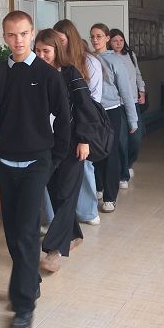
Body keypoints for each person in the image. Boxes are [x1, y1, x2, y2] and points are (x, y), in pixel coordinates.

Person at [0, 11, 70, 328]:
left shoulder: (47, 75)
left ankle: (23, 305)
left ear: (32, 34)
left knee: (28, 232)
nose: (18, 40)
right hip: (5, 165)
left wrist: (54, 160)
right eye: (11, 35)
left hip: (36, 165)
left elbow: (64, 118)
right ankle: (30, 281)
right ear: (4, 37)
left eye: (23, 34)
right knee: (13, 232)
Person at [34, 29, 101, 274]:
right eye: (37, 51)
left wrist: (84, 140)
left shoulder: (70, 73)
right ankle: (73, 234)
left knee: (66, 193)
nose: (41, 55)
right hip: (46, 144)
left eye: (46, 51)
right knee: (56, 192)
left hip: (73, 143)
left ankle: (54, 249)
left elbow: (85, 108)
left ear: (57, 51)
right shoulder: (34, 73)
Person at [53, 19, 103, 226]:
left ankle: (88, 211)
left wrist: (85, 133)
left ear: (70, 39)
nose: (58, 44)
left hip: (82, 124)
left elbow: (93, 100)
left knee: (85, 166)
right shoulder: (55, 62)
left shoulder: (89, 61)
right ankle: (65, 214)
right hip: (61, 125)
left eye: (61, 40)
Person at [89, 23, 137, 213]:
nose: (95, 40)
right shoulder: (88, 58)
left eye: (99, 36)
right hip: (93, 111)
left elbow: (125, 91)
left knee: (111, 152)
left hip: (111, 110)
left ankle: (110, 196)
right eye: (93, 36)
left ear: (107, 38)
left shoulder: (115, 60)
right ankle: (99, 186)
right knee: (95, 151)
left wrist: (132, 119)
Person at [108, 28, 145, 187]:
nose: (118, 43)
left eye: (121, 40)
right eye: (115, 41)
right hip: (117, 103)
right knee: (121, 140)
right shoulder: (108, 58)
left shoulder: (130, 55)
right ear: (109, 42)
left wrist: (142, 90)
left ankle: (129, 163)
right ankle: (123, 174)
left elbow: (137, 75)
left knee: (136, 138)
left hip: (133, 102)